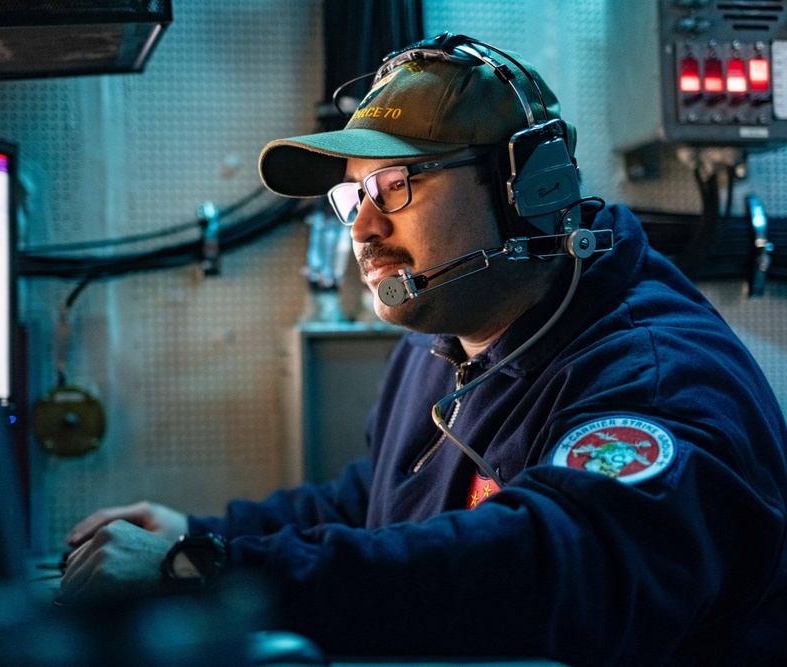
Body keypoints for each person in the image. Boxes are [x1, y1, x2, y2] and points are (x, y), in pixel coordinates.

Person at [59, 33, 787, 666]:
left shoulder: (653, 379)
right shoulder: (441, 342)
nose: (363, 228)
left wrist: (209, 570)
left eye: (393, 185)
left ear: (528, 186)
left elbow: (540, 567)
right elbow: (374, 500)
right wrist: (202, 533)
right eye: (351, 198)